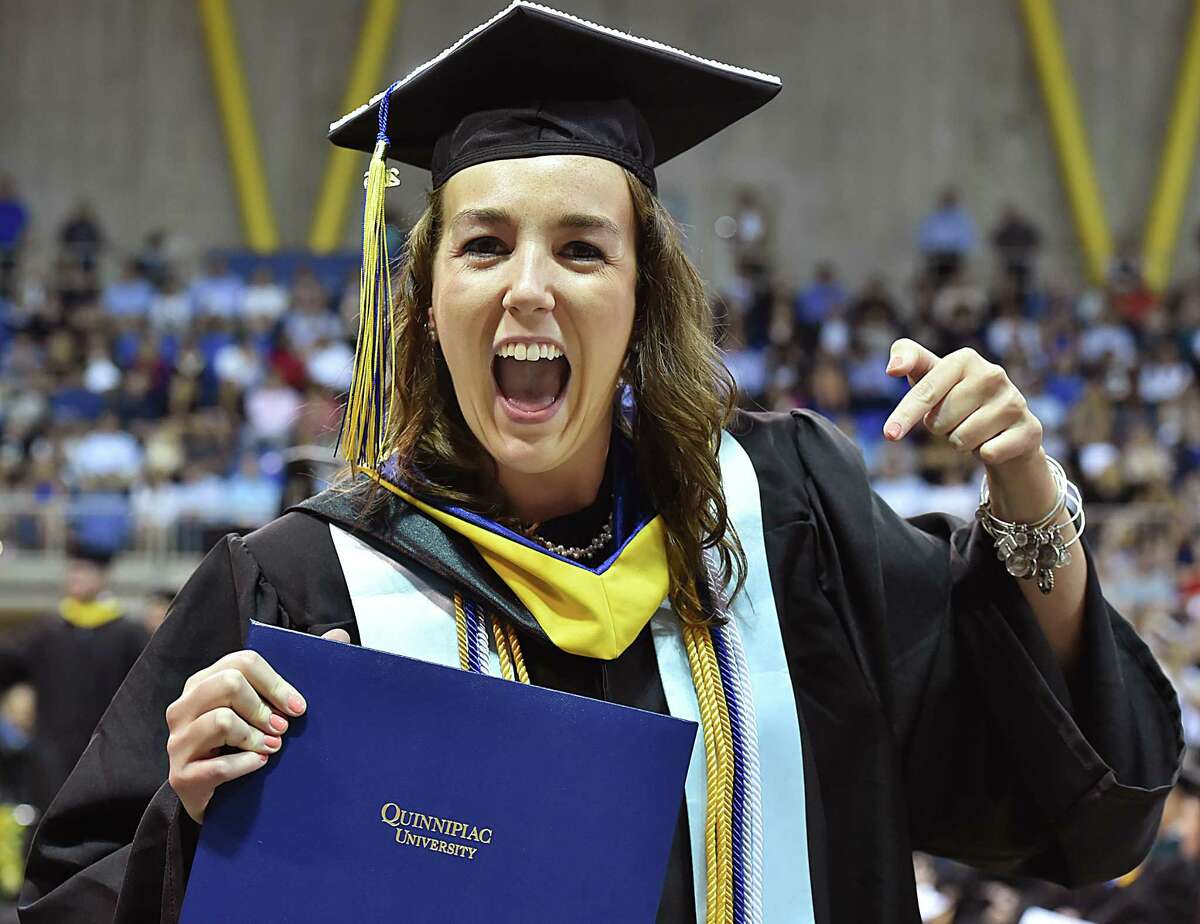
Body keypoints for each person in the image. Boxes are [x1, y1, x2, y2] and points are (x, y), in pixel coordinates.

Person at [20, 4, 1182, 923]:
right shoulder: (299, 588)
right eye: (483, 245)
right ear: (426, 304)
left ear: (641, 300)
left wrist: (1033, 500)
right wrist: (192, 813)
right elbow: (77, 893)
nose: (529, 286)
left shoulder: (788, 523)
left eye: (583, 247)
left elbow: (1080, 806)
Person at [0, 543, 148, 812]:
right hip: (52, 758)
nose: (76, 577)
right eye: (73, 571)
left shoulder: (129, 635)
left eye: (84, 571)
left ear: (102, 577)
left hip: (107, 754)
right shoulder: (45, 633)